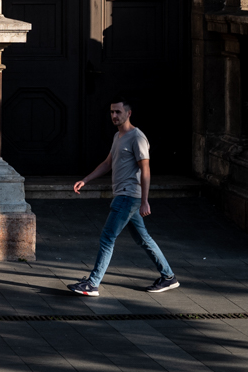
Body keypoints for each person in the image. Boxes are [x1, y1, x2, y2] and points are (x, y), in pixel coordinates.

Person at [68, 98, 180, 296]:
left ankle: (93, 284)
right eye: (112, 112)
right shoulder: (118, 137)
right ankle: (168, 277)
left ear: (128, 113)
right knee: (143, 239)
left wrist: (145, 200)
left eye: (118, 112)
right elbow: (107, 163)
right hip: (124, 195)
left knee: (107, 238)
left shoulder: (137, 137)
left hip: (128, 197)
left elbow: (145, 170)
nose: (114, 116)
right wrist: (85, 180)